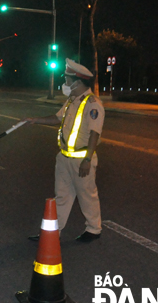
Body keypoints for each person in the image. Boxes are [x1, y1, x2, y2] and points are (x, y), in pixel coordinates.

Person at [25, 58, 105, 242]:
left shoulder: (93, 104)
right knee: (61, 196)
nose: (65, 83)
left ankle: (94, 229)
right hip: (64, 158)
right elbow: (57, 118)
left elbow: (94, 134)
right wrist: (35, 120)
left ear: (78, 82)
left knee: (87, 196)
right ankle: (53, 231)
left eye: (67, 79)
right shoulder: (71, 100)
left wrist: (87, 160)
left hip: (81, 159)